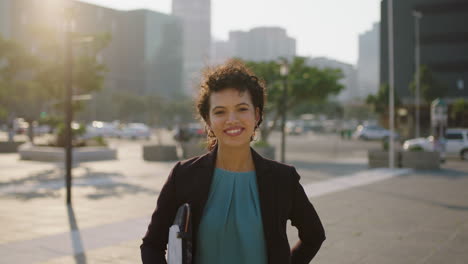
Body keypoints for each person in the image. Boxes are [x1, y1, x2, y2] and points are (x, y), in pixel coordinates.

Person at [140, 60, 326, 264]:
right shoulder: (183, 175)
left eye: (241, 109)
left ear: (256, 115)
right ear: (208, 121)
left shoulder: (282, 179)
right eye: (220, 112)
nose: (232, 119)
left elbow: (314, 236)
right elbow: (152, 245)